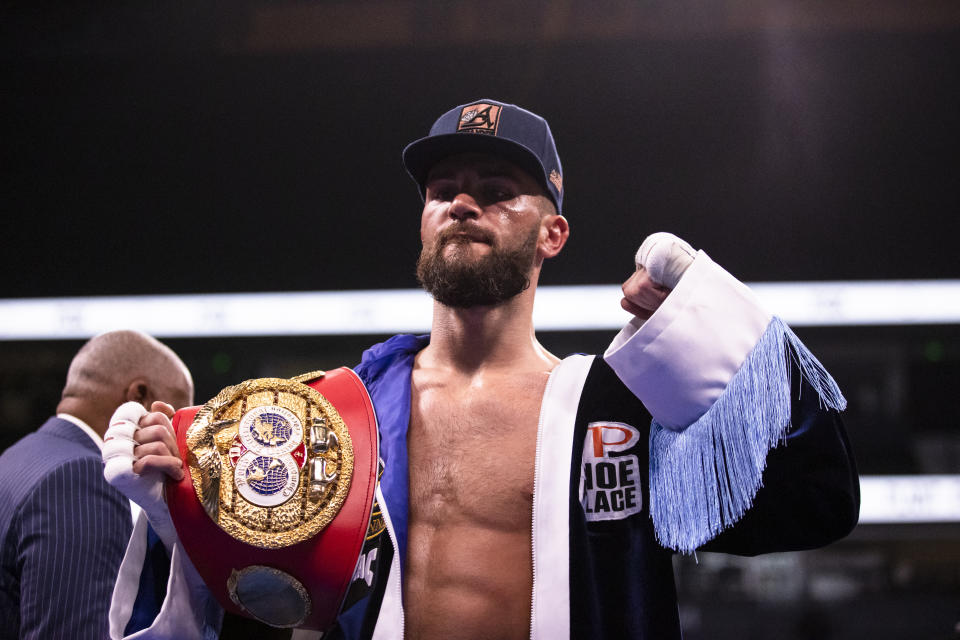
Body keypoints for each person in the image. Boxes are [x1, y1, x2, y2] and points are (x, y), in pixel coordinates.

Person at [104, 99, 859, 640]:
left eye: (498, 192)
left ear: (552, 234)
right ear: (424, 219)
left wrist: (711, 322)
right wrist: (184, 511)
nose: (464, 203)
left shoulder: (616, 414)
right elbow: (266, 603)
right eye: (443, 191)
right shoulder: (339, 413)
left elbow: (817, 501)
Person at [0, 330, 193, 639]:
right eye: (177, 418)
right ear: (139, 397)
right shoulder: (82, 478)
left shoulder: (18, 456)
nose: (179, 441)